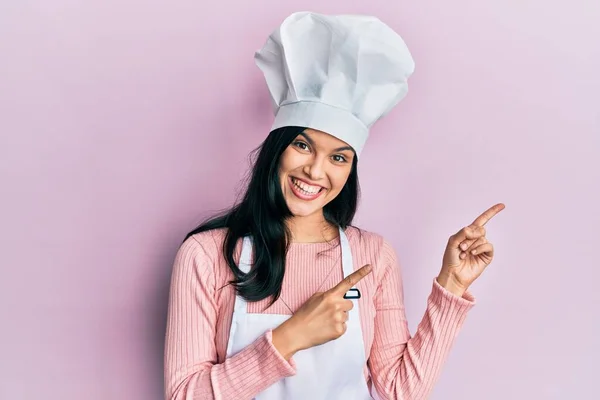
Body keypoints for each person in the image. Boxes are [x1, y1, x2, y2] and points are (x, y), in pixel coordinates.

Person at [164, 11, 505, 400]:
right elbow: (183, 395)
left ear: (350, 170)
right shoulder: (206, 256)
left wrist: (453, 284)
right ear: (278, 148)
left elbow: (399, 391)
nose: (315, 171)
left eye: (339, 158)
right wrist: (290, 337)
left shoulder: (372, 255)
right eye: (303, 145)